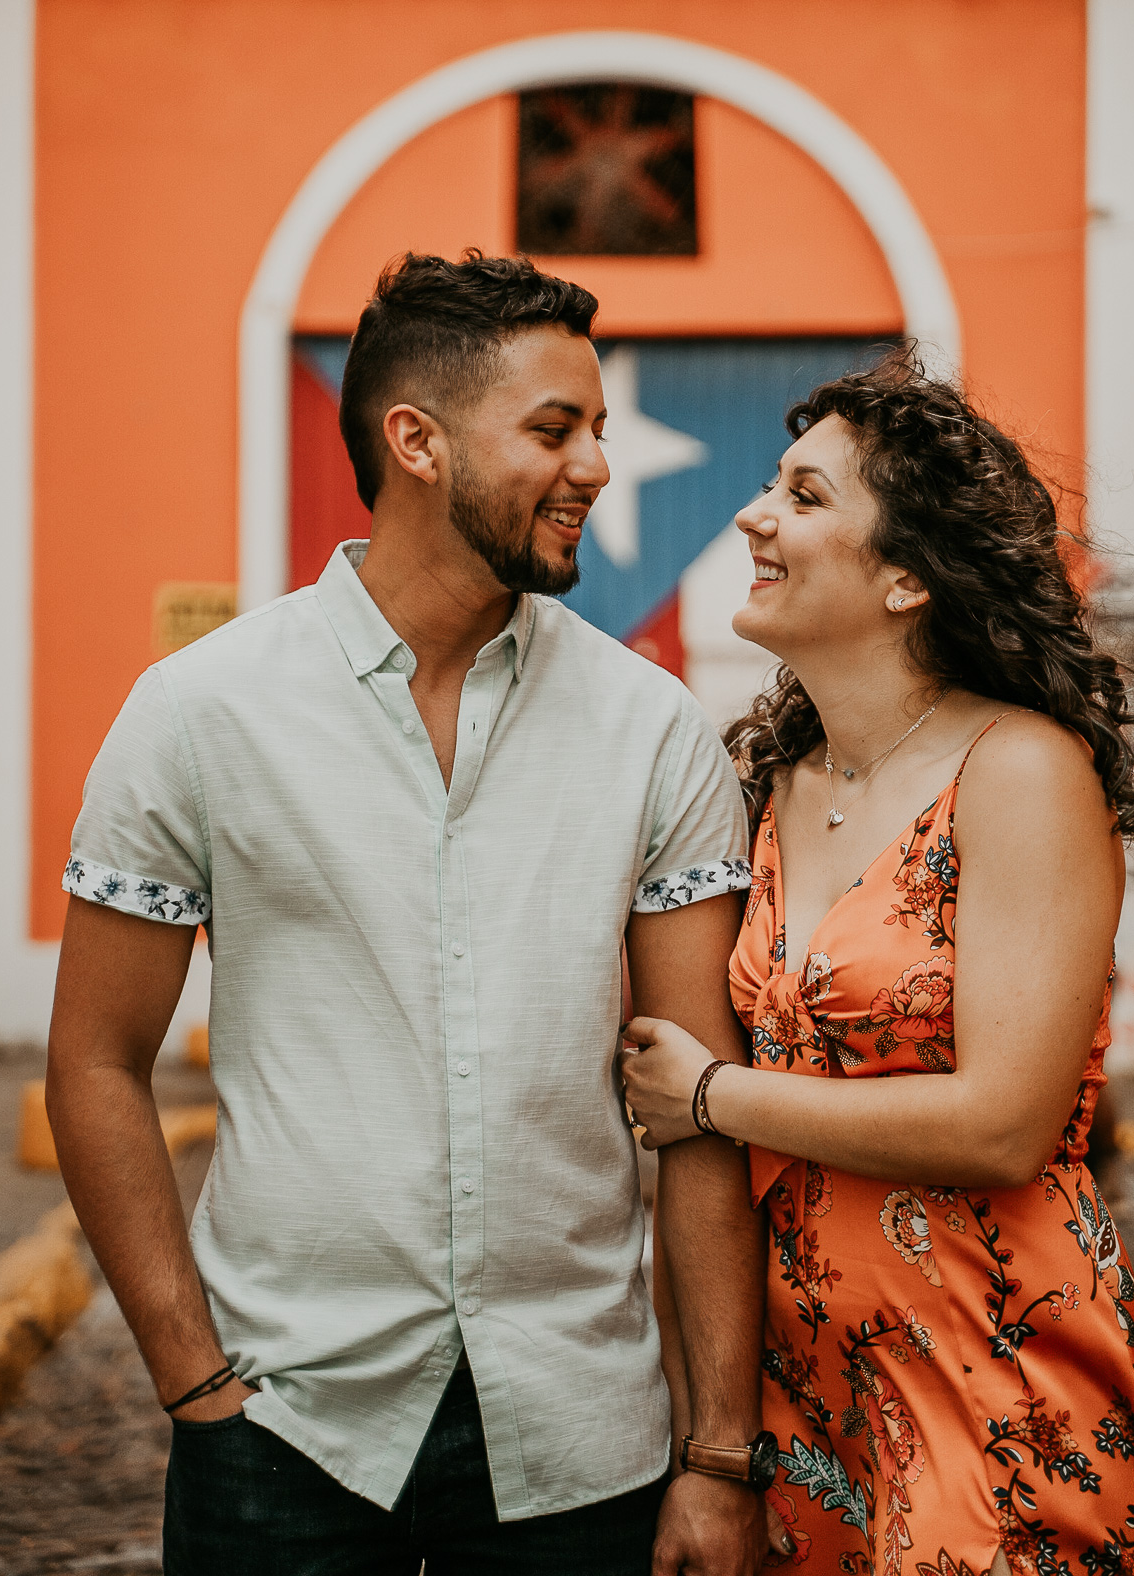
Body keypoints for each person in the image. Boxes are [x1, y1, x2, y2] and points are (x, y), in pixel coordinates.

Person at [46, 251, 787, 1576]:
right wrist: (193, 1385)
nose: (598, 468)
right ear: (418, 442)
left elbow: (699, 1112)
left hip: (587, 1436)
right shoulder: (200, 711)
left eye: (602, 431)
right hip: (284, 1429)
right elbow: (97, 1063)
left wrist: (719, 1454)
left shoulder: (652, 730)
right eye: (555, 429)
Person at [623, 351, 1134, 1574]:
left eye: (807, 498)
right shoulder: (765, 787)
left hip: (991, 1362)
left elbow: (1002, 1125)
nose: (754, 515)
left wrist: (709, 1098)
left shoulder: (1018, 773)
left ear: (909, 575)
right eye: (773, 485)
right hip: (804, 1393)